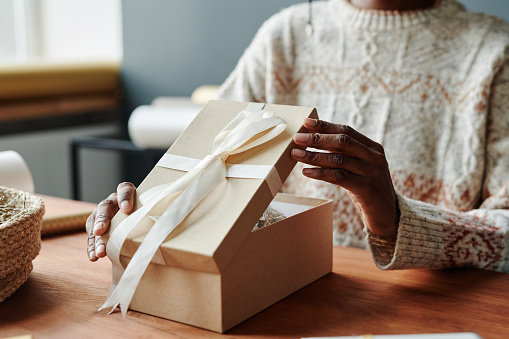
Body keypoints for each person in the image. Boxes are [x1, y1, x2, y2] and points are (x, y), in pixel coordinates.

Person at [87, 0, 509, 272]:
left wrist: (397, 221)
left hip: (428, 304)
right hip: (276, 286)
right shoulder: (283, 37)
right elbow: (203, 166)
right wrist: (147, 205)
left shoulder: (494, 51)